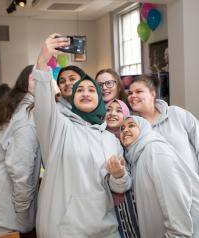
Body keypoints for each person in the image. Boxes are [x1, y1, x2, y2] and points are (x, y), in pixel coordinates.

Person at [33, 34, 131, 237]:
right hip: (64, 228)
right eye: (80, 91)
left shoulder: (111, 140)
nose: (86, 93)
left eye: (91, 90)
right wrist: (42, 63)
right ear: (73, 99)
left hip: (104, 228)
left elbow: (119, 187)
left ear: (99, 99)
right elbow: (43, 106)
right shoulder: (59, 127)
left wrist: (119, 175)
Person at [118, 116, 199, 238]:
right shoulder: (136, 158)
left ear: (144, 129)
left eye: (131, 125)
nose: (125, 130)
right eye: (122, 128)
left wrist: (177, 234)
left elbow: (175, 199)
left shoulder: (155, 150)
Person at [0, 65, 41, 237]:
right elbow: (20, 171)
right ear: (24, 83)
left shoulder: (18, 107)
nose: (42, 82)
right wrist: (25, 218)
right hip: (1, 212)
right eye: (36, 78)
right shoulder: (27, 116)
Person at [127, 76, 199, 189]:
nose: (132, 96)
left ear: (153, 94)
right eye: (130, 93)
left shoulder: (177, 114)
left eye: (138, 91)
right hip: (161, 197)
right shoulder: (132, 129)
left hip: (196, 189)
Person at [105, 99, 140, 238]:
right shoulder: (96, 139)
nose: (112, 113)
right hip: (107, 205)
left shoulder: (134, 140)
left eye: (119, 111)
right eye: (108, 109)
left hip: (134, 202)